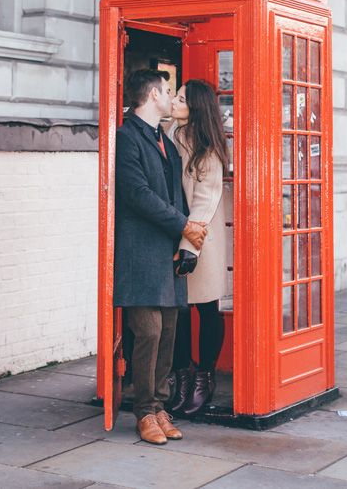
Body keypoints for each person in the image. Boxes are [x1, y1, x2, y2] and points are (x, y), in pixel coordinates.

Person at [114, 69, 207, 445]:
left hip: (166, 249)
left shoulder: (163, 139)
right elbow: (137, 193)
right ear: (153, 95)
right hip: (139, 251)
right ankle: (143, 412)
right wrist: (184, 225)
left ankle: (159, 407)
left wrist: (189, 236)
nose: (171, 97)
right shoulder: (127, 137)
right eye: (168, 91)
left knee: (168, 330)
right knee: (148, 332)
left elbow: (175, 193)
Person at [166, 79, 229, 416]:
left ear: (196, 107)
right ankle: (183, 377)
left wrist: (191, 243)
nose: (173, 102)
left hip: (201, 236)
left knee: (205, 307)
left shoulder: (206, 146)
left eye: (180, 98)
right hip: (177, 230)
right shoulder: (173, 133)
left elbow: (206, 198)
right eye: (173, 96)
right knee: (177, 310)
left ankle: (204, 377)